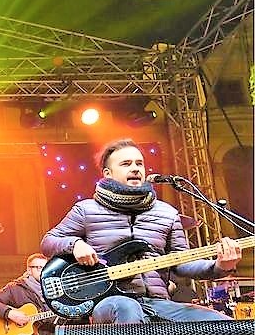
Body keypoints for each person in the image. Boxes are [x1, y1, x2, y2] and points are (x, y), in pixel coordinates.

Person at [41, 138, 241, 324]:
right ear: (107, 173)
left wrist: (220, 266)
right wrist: (75, 244)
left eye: (139, 163)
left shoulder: (167, 213)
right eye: (126, 164)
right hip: (110, 301)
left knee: (227, 328)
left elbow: (182, 263)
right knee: (127, 309)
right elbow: (49, 241)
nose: (135, 168)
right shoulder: (86, 210)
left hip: (159, 302)